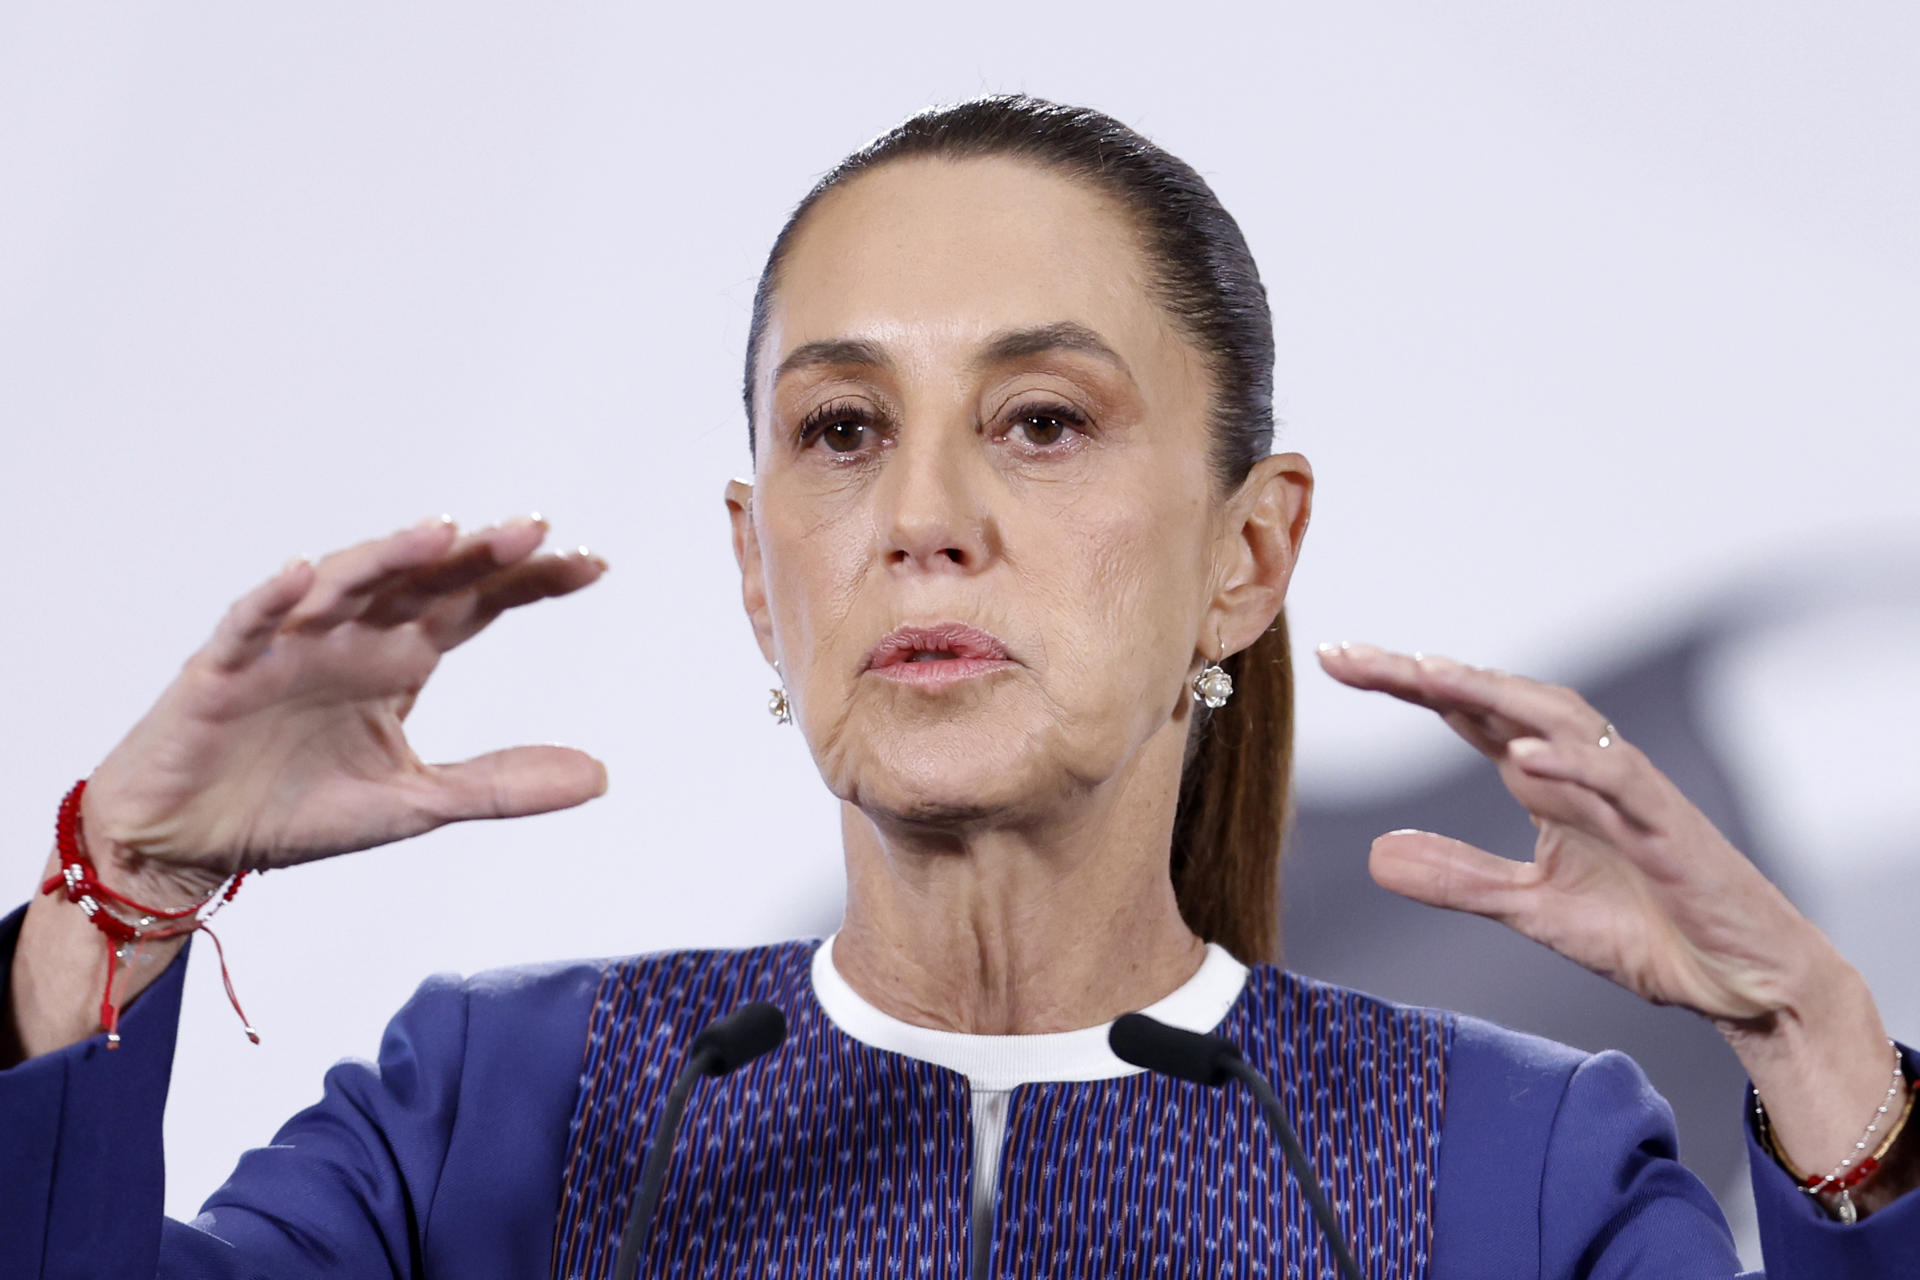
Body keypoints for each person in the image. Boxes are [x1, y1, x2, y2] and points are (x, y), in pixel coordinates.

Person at [2, 95, 1914, 1279]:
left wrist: (1819, 1040)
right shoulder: (492, 1112)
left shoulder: (1522, 1165)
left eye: (1041, 420)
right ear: (761, 571)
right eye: (843, 428)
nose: (923, 516)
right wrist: (126, 888)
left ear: (1244, 556)